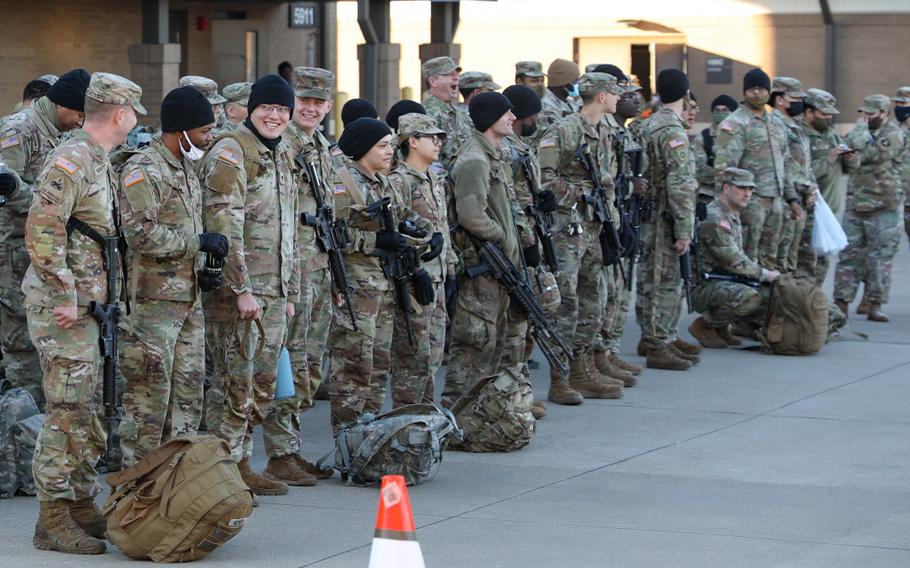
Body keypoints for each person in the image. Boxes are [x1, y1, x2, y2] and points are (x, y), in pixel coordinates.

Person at [24, 72, 144, 555]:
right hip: (65, 310)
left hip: (92, 308)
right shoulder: (72, 159)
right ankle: (51, 517)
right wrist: (65, 292)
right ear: (120, 113)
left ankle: (76, 501)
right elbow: (42, 228)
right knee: (67, 410)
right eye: (134, 114)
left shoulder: (100, 159)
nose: (135, 122)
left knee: (88, 409)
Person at [199, 74, 300, 495]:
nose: (275, 116)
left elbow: (287, 226)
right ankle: (220, 475)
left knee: (260, 384)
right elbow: (224, 224)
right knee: (233, 383)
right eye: (267, 108)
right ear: (251, 109)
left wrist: (289, 292)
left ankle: (239, 462)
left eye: (282, 110)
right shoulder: (231, 151)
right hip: (243, 292)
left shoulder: (282, 151)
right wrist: (240, 289)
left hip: (274, 289)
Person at [116, 87, 223, 466]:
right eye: (205, 130)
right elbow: (140, 234)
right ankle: (136, 488)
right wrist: (197, 243)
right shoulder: (144, 169)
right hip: (153, 307)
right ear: (182, 131)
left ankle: (175, 482)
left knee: (189, 396)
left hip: (188, 301)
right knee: (149, 400)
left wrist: (203, 267)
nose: (210, 137)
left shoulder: (186, 168)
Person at [329, 117, 433, 431]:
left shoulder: (381, 180)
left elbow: (403, 216)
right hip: (356, 287)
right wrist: (376, 241)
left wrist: (425, 235)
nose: (390, 151)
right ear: (363, 148)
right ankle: (347, 433)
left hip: (384, 282)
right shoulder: (342, 182)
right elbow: (336, 235)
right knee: (354, 363)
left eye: (389, 145)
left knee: (377, 362)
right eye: (382, 146)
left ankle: (369, 427)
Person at [261, 66, 337, 487]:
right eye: (303, 101)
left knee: (309, 362)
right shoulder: (281, 144)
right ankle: (280, 453)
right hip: (290, 270)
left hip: (318, 268)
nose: (309, 108)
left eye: (317, 102)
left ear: (327, 107)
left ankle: (291, 446)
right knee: (287, 360)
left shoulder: (321, 145)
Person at [0, 68, 90, 410]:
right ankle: (19, 432)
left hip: (47, 252)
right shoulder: (19, 129)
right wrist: (45, 204)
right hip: (14, 251)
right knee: (20, 347)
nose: (81, 123)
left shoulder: (60, 132)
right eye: (79, 114)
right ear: (64, 105)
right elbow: (4, 185)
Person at [443, 92, 537, 406]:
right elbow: (471, 216)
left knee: (495, 343)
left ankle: (486, 411)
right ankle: (459, 413)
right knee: (474, 345)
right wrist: (502, 236)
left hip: (499, 266)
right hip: (482, 265)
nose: (513, 117)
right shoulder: (474, 160)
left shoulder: (493, 155)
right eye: (506, 113)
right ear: (489, 119)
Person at [538, 72, 625, 401]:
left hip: (596, 225)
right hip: (568, 227)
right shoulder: (564, 129)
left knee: (595, 297)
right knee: (567, 302)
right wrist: (577, 195)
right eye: (615, 94)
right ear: (601, 96)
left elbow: (608, 181)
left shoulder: (606, 130)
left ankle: (583, 366)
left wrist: (612, 218)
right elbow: (544, 177)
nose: (619, 99)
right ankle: (559, 377)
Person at [500, 84, 559, 419]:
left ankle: (519, 389)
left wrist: (542, 197)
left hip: (531, 232)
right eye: (532, 112)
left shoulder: (520, 145)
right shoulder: (506, 149)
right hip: (518, 240)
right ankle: (512, 393)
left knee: (530, 317)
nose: (537, 117)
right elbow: (508, 198)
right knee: (517, 321)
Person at [634, 69, 699, 370]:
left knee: (650, 277)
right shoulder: (673, 131)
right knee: (664, 279)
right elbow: (680, 183)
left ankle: (658, 336)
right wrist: (684, 228)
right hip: (665, 215)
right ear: (685, 94)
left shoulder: (647, 124)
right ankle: (658, 341)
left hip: (648, 211)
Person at [387, 113, 452, 406]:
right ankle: (407, 419)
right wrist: (416, 269)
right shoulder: (399, 181)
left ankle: (425, 416)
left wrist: (450, 269)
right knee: (412, 357)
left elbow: (443, 229)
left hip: (436, 278)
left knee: (432, 355)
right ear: (412, 141)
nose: (438, 143)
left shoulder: (433, 178)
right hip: (414, 280)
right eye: (432, 138)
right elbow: (396, 231)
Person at [713, 68, 802, 270]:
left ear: (769, 92)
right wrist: (727, 206)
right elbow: (724, 168)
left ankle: (767, 300)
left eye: (762, 89)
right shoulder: (735, 123)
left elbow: (785, 163)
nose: (757, 93)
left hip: (776, 202)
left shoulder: (777, 122)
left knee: (771, 259)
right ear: (744, 92)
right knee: (748, 257)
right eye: (752, 89)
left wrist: (792, 199)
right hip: (749, 202)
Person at [589, 64, 645, 384]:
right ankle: (596, 356)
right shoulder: (599, 127)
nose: (630, 98)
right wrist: (628, 188)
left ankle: (608, 351)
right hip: (604, 216)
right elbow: (605, 180)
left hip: (621, 213)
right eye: (622, 92)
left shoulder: (622, 130)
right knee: (603, 291)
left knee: (619, 290)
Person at [689, 168, 781, 348]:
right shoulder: (715, 217)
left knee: (768, 294)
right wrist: (765, 274)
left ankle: (721, 327)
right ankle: (705, 325)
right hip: (703, 286)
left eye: (750, 189)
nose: (747, 194)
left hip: (723, 280)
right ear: (726, 188)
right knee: (750, 298)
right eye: (742, 188)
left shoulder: (731, 213)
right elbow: (732, 260)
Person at [833, 94, 905, 323]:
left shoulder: (894, 134)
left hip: (884, 206)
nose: (865, 118)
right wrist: (858, 141)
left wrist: (857, 139)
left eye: (871, 114)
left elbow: (873, 155)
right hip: (856, 204)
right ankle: (840, 304)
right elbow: (848, 154)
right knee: (848, 257)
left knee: (880, 259)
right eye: (863, 113)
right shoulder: (863, 132)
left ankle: (875, 304)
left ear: (885, 113)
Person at [798, 88, 858, 284]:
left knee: (823, 262)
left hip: (830, 210)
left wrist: (849, 158)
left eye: (831, 114)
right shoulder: (799, 135)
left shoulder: (830, 135)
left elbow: (850, 168)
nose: (828, 118)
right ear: (809, 112)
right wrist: (829, 158)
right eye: (824, 114)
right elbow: (802, 174)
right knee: (806, 263)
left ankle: (814, 304)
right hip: (808, 210)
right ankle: (802, 306)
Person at [770, 77, 817, 273]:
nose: (799, 102)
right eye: (795, 98)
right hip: (786, 201)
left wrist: (812, 186)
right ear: (779, 100)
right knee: (781, 259)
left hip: (801, 199)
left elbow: (804, 163)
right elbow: (782, 165)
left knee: (793, 259)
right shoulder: (774, 125)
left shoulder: (795, 126)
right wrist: (793, 198)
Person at [421, 56, 471, 173]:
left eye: (457, 74)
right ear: (433, 81)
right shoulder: (427, 113)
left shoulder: (458, 112)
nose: (456, 78)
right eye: (449, 74)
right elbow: (427, 156)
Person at [692, 95, 738, 204]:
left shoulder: (740, 136)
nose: (720, 113)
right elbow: (698, 168)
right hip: (710, 196)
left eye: (725, 110)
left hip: (736, 195)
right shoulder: (703, 137)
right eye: (717, 110)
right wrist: (723, 175)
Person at [536, 58, 580, 141]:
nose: (578, 84)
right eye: (576, 80)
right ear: (564, 82)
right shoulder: (544, 105)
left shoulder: (569, 102)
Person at [892, 86, 910, 244]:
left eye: (903, 103)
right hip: (898, 194)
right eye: (896, 103)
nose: (898, 107)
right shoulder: (892, 129)